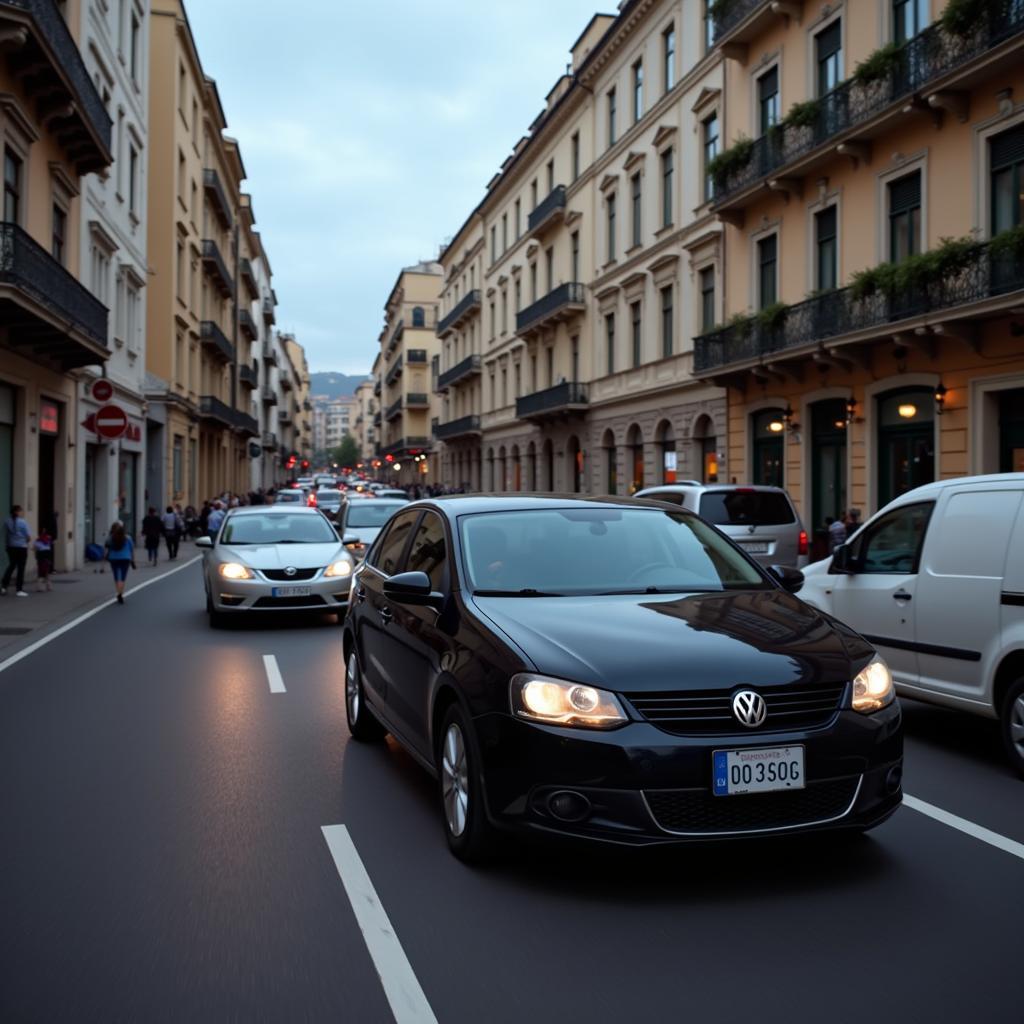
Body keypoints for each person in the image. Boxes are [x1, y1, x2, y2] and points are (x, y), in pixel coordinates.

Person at [2, 504, 31, 597]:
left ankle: (4, 586)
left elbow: (5, 535)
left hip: (11, 547)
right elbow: (28, 536)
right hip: (21, 547)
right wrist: (25, 541)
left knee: (11, 566)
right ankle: (19, 589)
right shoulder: (22, 522)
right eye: (20, 511)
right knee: (21, 568)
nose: (21, 512)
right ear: (17, 512)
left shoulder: (7, 521)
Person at [104, 521, 135, 604]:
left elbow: (106, 549)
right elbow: (132, 550)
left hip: (113, 558)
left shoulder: (110, 538)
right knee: (123, 577)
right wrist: (133, 560)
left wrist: (105, 558)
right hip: (125, 558)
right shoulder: (128, 538)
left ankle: (118, 591)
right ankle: (120, 593)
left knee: (116, 576)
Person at [33, 526, 54, 592]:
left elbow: (35, 548)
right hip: (47, 556)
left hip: (41, 556)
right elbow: (50, 548)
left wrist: (35, 555)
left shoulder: (38, 540)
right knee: (46, 571)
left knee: (41, 572)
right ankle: (48, 586)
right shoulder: (49, 540)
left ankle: (40, 587)